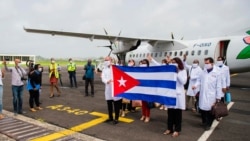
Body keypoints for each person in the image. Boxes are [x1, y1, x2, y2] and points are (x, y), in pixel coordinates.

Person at [192, 57, 222, 130]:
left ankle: (208, 124)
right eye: (205, 63)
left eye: (207, 63)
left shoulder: (217, 72)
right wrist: (195, 85)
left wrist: (218, 97)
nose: (206, 65)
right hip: (203, 94)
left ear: (212, 63)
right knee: (203, 109)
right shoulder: (203, 72)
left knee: (210, 111)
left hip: (212, 95)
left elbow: (218, 86)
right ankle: (204, 122)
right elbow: (199, 80)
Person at [163, 57, 187, 137]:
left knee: (177, 114)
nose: (173, 63)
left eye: (174, 62)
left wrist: (177, 73)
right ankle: (169, 129)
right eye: (172, 62)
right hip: (170, 94)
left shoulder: (183, 71)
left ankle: (177, 130)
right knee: (170, 113)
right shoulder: (170, 71)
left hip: (178, 95)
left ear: (178, 63)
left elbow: (183, 81)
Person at [101, 56, 122, 124]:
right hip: (108, 88)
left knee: (116, 105)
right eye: (105, 60)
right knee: (109, 104)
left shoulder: (116, 67)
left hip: (115, 88)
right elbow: (103, 77)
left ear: (111, 60)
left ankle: (116, 118)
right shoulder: (104, 69)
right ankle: (110, 117)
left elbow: (121, 75)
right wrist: (107, 81)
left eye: (107, 60)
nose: (106, 61)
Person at [139, 59, 151, 123]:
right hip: (142, 89)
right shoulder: (140, 71)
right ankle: (143, 115)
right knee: (143, 104)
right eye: (142, 63)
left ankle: (147, 116)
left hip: (148, 89)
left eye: (145, 63)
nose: (143, 64)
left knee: (147, 104)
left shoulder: (149, 71)